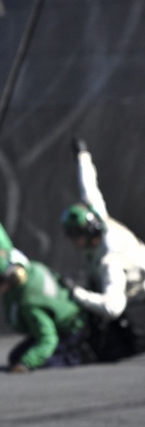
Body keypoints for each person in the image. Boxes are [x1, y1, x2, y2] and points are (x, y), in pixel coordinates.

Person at [0, 198, 91, 371]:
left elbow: (48, 339)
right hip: (63, 322)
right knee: (15, 356)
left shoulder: (30, 303)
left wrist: (26, 364)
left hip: (73, 331)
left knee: (44, 361)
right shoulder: (21, 267)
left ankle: (81, 354)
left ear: (13, 277)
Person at [60, 140, 145, 360]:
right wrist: (82, 155)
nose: (72, 242)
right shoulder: (98, 216)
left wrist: (77, 294)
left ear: (89, 233)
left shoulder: (110, 260)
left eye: (75, 236)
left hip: (137, 292)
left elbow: (113, 307)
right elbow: (88, 186)